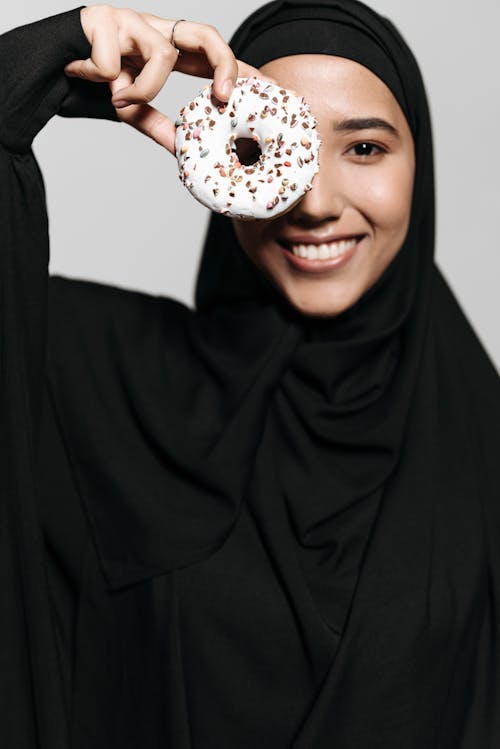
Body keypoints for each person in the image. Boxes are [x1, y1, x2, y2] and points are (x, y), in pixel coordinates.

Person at [1, 1, 499, 747]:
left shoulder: (485, 444)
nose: (317, 203)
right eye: (265, 146)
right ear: (215, 158)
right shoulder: (101, 381)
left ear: (418, 165)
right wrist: (41, 70)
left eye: (364, 149)